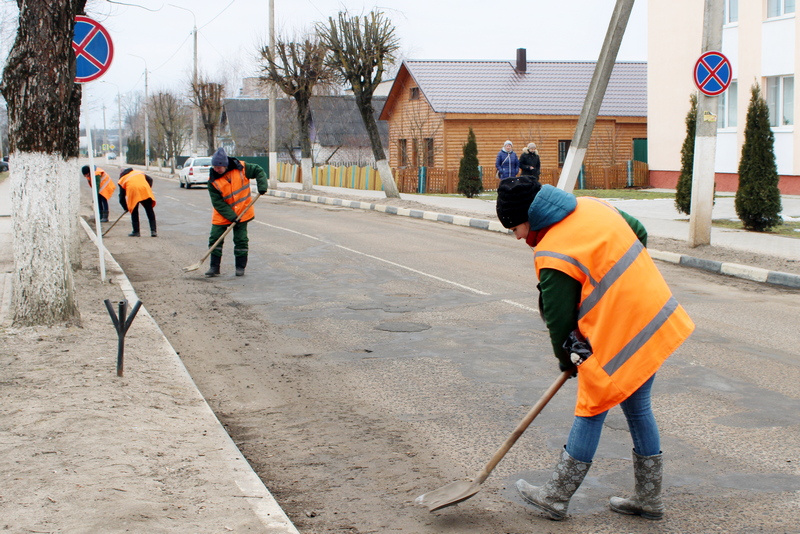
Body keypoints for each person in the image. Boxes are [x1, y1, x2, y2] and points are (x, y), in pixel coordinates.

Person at [495, 177, 695, 522]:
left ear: (531, 216)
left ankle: (556, 496)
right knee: (637, 406)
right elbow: (639, 231)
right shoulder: (592, 204)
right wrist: (622, 284)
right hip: (651, 316)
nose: (515, 235)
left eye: (514, 227)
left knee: (592, 405)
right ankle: (649, 499)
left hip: (618, 332)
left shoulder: (554, 251)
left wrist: (567, 361)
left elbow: (559, 321)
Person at [205, 148, 268, 277]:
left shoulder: (242, 168)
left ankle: (240, 267)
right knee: (215, 238)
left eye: (219, 167)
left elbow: (259, 170)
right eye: (215, 167)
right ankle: (214, 267)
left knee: (241, 240)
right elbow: (217, 203)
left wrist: (262, 185)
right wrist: (232, 216)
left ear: (225, 165)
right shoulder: (212, 180)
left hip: (242, 211)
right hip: (222, 213)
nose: (217, 170)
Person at [118, 168, 157, 237]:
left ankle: (136, 232)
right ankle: (153, 231)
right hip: (144, 190)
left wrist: (126, 208)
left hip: (133, 193)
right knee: (149, 210)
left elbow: (121, 197)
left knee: (134, 211)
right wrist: (147, 187)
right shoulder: (138, 172)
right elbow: (150, 179)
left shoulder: (122, 179)